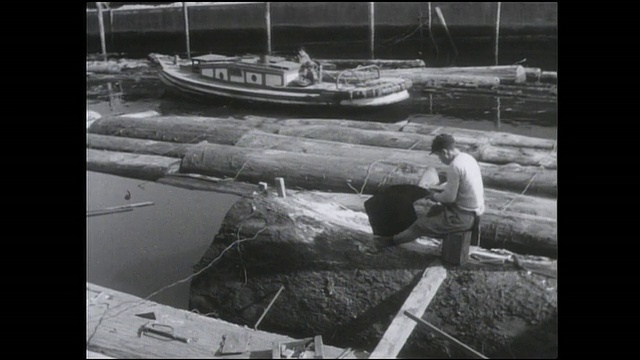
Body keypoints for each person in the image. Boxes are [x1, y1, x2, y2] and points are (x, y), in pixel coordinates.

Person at [373, 134, 485, 249]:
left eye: (439, 156)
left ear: (444, 152)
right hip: (475, 212)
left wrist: (433, 196)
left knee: (420, 226)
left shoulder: (455, 166)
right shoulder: (467, 158)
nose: (440, 160)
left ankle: (388, 242)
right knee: (434, 211)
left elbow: (449, 198)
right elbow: (462, 185)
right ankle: (405, 235)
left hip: (462, 218)